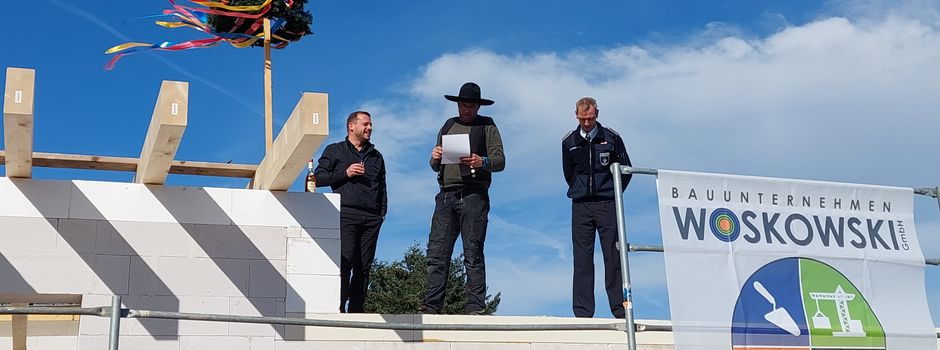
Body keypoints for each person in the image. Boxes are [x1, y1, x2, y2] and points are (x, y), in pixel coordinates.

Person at [419, 82, 505, 315]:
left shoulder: (487, 126)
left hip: (474, 194)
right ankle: (431, 307)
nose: (467, 110)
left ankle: (475, 308)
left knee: (473, 251)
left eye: (471, 106)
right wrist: (435, 157)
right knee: (437, 252)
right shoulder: (448, 125)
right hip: (446, 194)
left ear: (478, 106)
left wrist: (482, 161)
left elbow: (500, 161)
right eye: (463, 105)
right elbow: (434, 165)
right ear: (458, 105)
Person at [561, 97, 632, 318]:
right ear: (576, 116)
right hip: (581, 206)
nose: (587, 123)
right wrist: (580, 188)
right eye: (582, 119)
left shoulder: (612, 138)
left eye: (590, 119)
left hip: (607, 204)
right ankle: (582, 313)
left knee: (614, 256)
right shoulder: (569, 142)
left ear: (597, 114)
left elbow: (625, 170)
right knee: (582, 259)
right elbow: (569, 174)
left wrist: (612, 192)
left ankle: (621, 309)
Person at [314, 111, 388, 313]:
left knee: (364, 266)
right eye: (366, 124)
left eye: (371, 124)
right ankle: (338, 308)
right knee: (344, 262)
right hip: (345, 214)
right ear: (351, 126)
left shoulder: (376, 156)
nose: (370, 128)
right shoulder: (335, 150)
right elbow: (317, 178)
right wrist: (345, 173)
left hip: (372, 218)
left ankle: (357, 310)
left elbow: (382, 187)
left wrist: (381, 214)